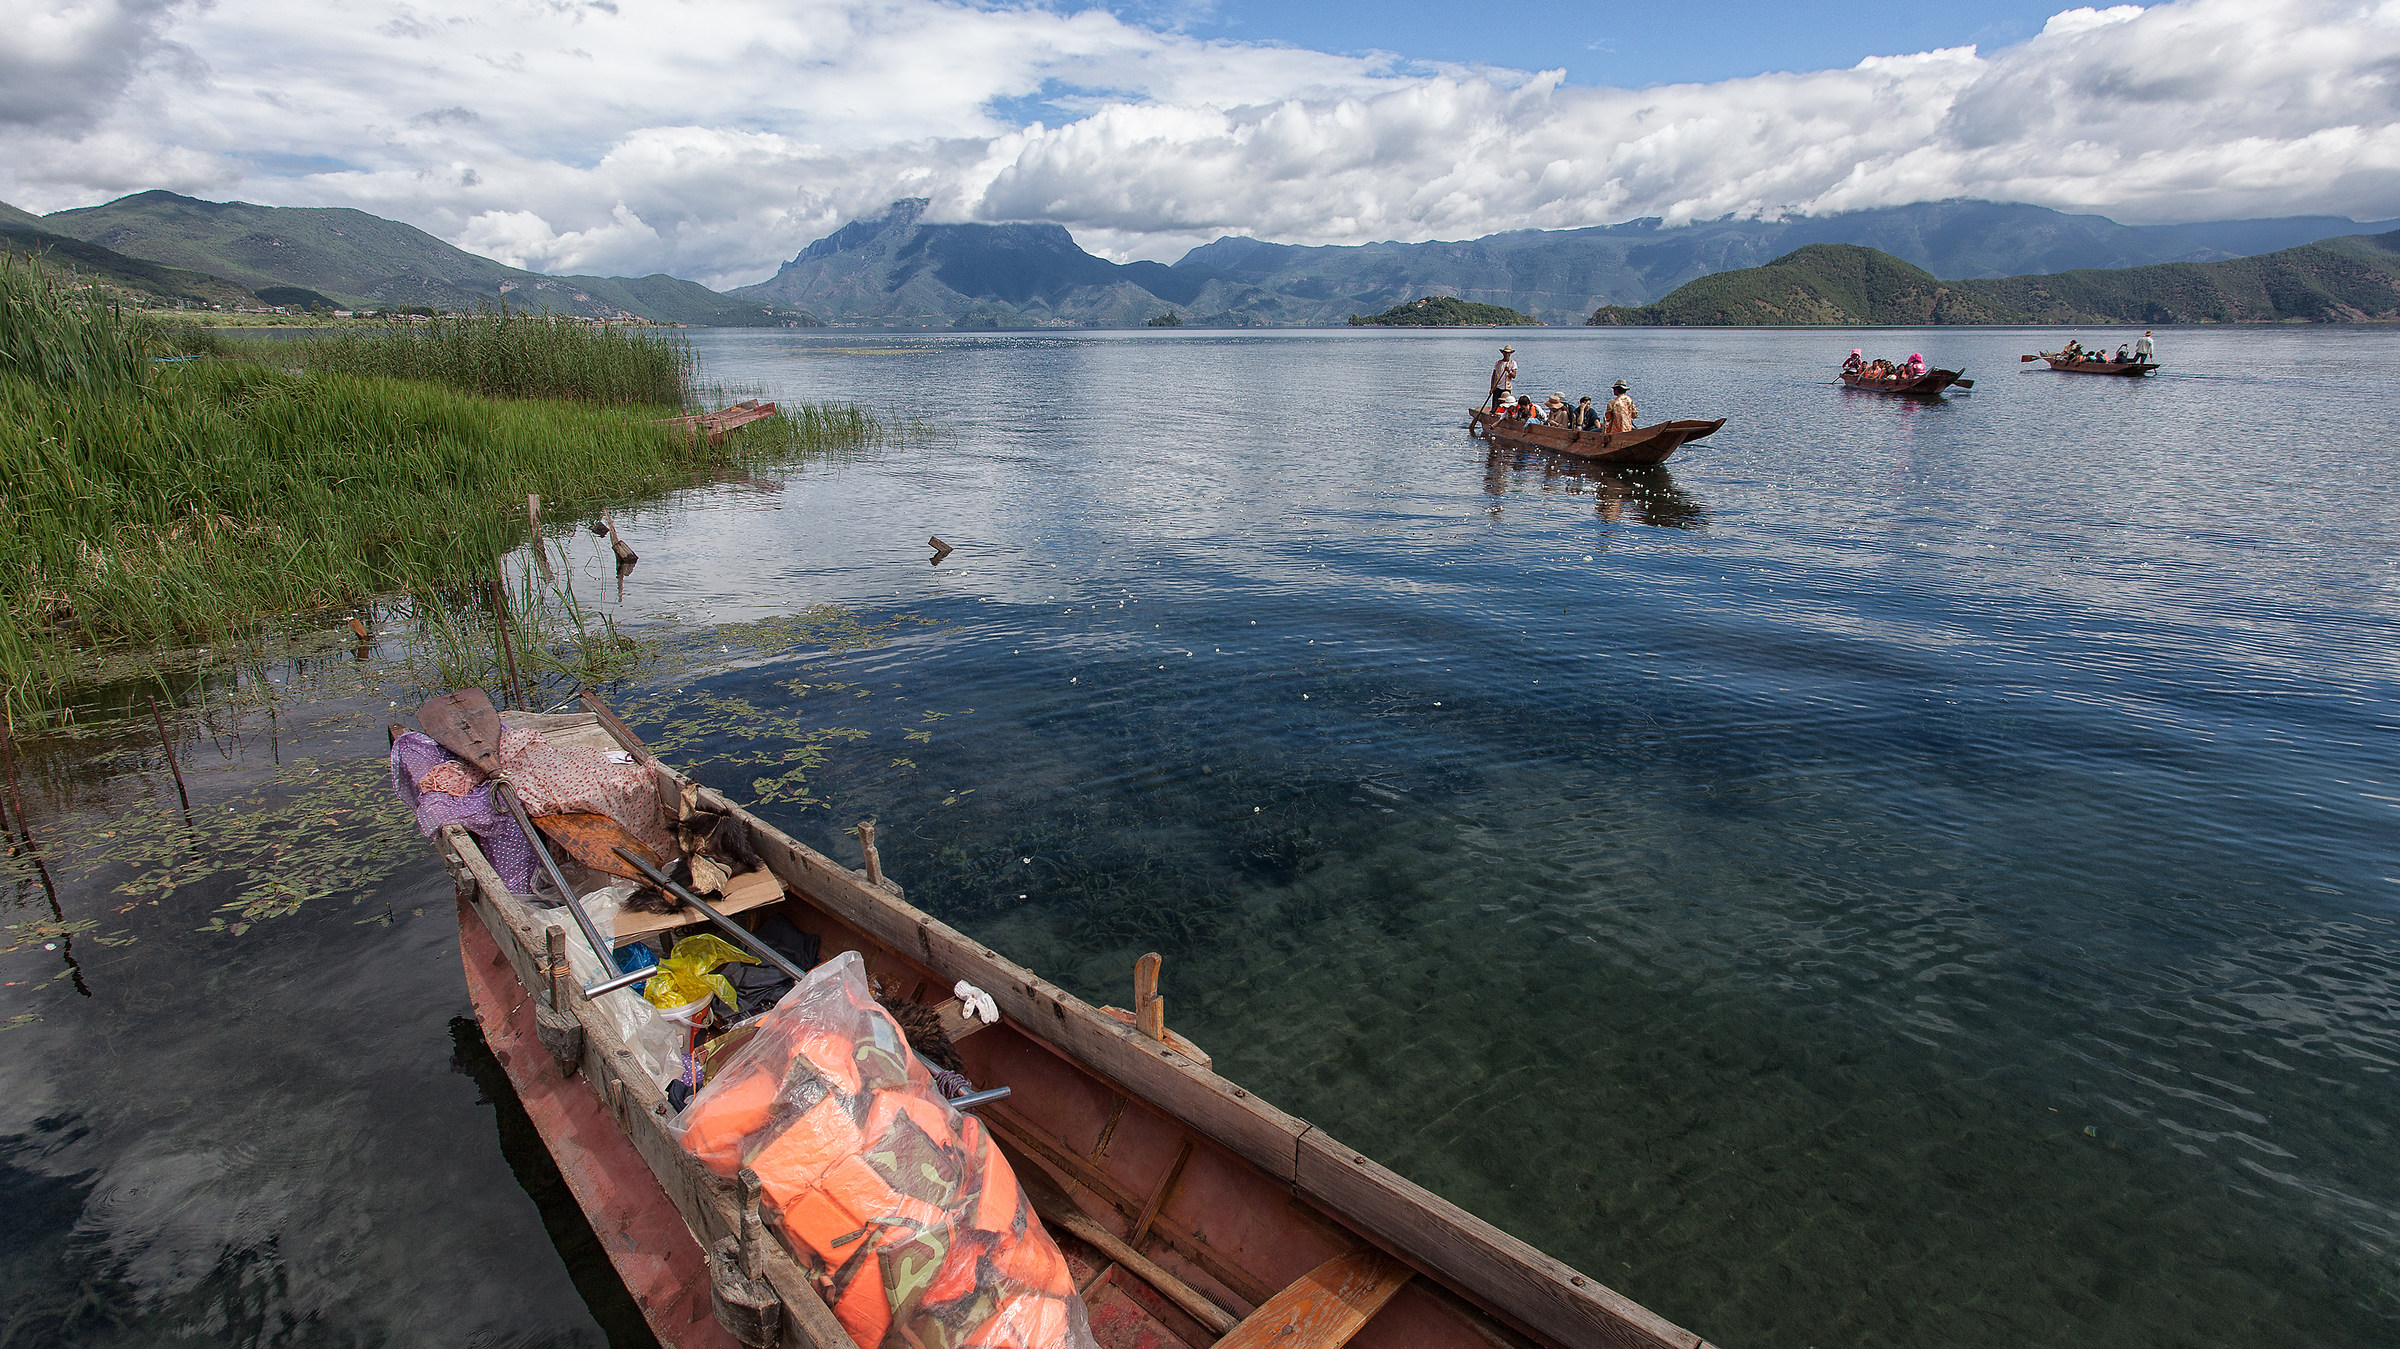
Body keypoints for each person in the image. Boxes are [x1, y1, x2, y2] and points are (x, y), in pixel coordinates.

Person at [1487, 345, 1517, 411]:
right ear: (1503, 353)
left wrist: (1509, 371)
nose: (1507, 354)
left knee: (1506, 405)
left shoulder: (1512, 363)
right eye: (1505, 353)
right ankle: (1493, 414)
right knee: (1495, 405)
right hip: (1497, 387)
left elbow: (1514, 376)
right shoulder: (1498, 363)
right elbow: (1493, 376)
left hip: (1506, 388)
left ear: (1510, 354)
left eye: (1508, 353)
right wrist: (1492, 388)